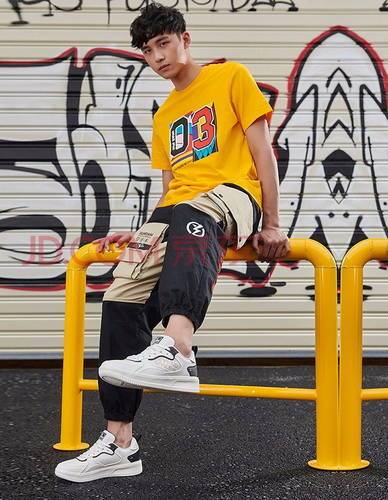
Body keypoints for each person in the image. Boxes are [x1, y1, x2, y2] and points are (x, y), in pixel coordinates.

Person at [55, 2, 289, 483]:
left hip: (232, 196)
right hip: (180, 213)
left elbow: (262, 150)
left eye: (163, 44)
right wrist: (145, 230)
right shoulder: (164, 115)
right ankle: (119, 443)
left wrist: (273, 222)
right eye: (147, 50)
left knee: (191, 214)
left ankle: (178, 348)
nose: (157, 57)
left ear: (185, 39)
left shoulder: (230, 77)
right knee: (120, 298)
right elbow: (171, 191)